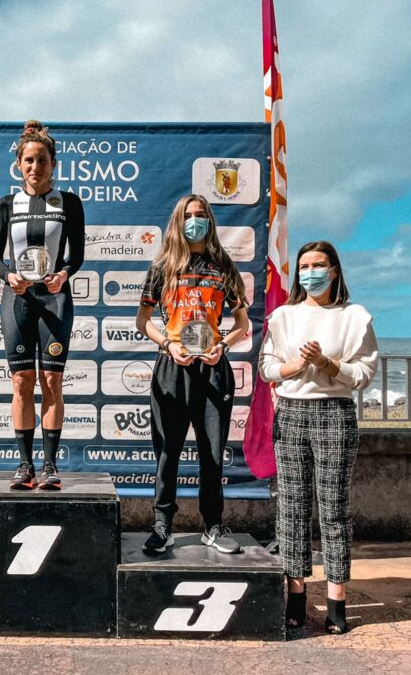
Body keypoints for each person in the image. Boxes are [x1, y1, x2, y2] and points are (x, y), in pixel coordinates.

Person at [258, 241, 378, 635]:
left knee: (334, 507)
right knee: (292, 507)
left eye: (319, 265)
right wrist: (297, 365)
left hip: (335, 413)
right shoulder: (283, 316)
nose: (311, 272)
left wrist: (328, 364)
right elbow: (267, 368)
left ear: (334, 270)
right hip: (291, 412)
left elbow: (364, 375)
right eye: (305, 266)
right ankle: (295, 594)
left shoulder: (355, 316)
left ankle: (337, 598)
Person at [135, 194, 249, 555]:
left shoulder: (223, 265)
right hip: (173, 365)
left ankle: (212, 526)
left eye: (200, 215)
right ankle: (162, 526)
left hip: (212, 367)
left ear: (210, 221)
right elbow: (142, 321)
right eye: (188, 215)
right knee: (167, 452)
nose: (194, 221)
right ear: (178, 221)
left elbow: (242, 323)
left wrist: (223, 346)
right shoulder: (163, 266)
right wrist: (168, 345)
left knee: (211, 453)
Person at [0, 120, 85, 490]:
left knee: (52, 380)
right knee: (21, 380)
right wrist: (8, 276)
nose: (35, 167)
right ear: (18, 164)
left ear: (53, 163)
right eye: (28, 160)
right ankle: (24, 465)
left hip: (55, 298)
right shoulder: (6, 204)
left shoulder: (69, 203)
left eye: (42, 160)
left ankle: (50, 466)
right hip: (18, 299)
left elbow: (77, 255)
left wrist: (64, 274)